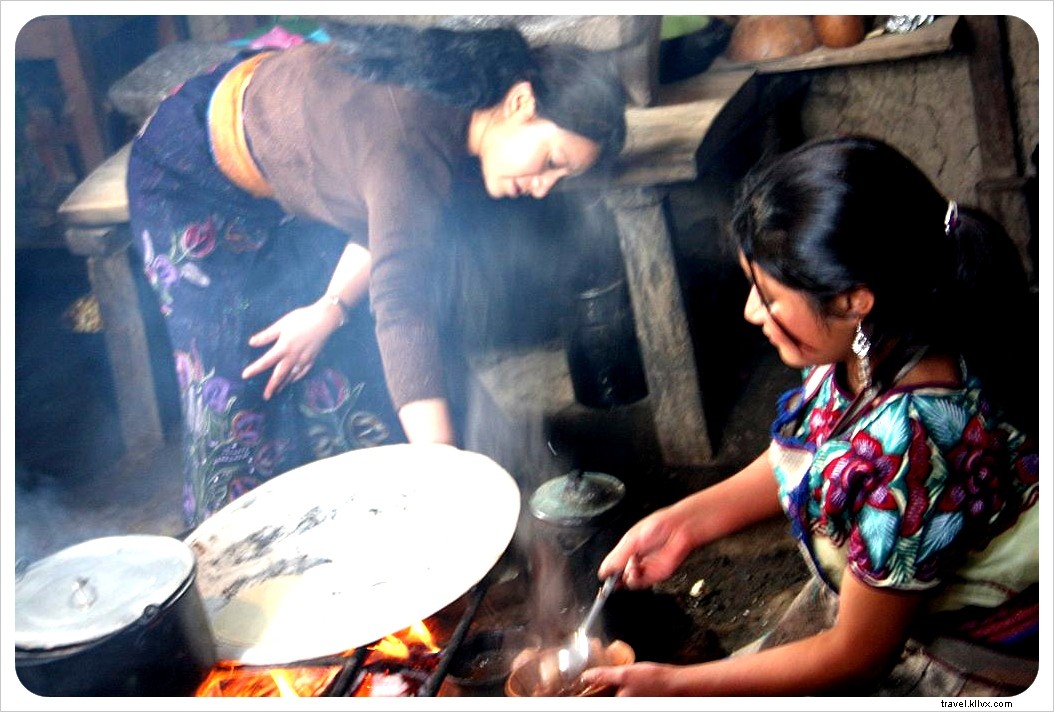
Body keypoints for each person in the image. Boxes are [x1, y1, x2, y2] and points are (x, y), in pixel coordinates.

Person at [582, 136, 1039, 696]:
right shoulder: (874, 339)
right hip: (876, 601)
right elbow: (814, 453)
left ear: (852, 300)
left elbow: (857, 656)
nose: (751, 311)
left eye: (768, 295)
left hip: (963, 656)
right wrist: (686, 521)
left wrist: (677, 686)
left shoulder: (914, 440)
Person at [127, 22, 627, 527]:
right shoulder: (408, 137)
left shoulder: (462, 113)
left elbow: (389, 223)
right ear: (521, 103)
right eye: (551, 161)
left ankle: (365, 524)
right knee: (242, 380)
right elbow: (401, 302)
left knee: (345, 352)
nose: (543, 187)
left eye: (560, 177)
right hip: (189, 173)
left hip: (297, 165)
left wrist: (331, 307)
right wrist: (447, 476)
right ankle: (218, 568)